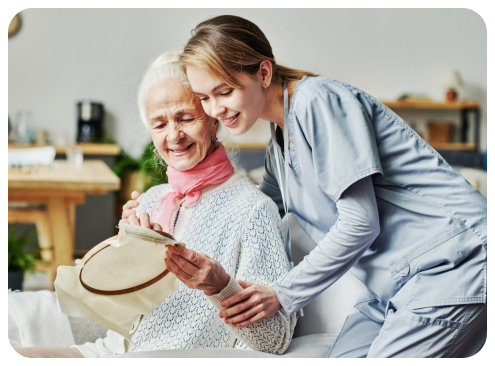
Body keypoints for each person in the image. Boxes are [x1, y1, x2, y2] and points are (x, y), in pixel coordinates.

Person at [125, 15, 487, 358]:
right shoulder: (277, 148)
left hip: (454, 263)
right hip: (395, 288)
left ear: (263, 72)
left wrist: (281, 294)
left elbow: (361, 222)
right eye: (204, 98)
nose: (215, 109)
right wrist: (162, 223)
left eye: (224, 91)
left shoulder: (319, 101)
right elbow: (243, 209)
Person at [15, 51, 296, 358]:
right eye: (159, 124)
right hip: (110, 350)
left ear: (214, 120)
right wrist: (124, 251)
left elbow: (275, 338)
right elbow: (113, 316)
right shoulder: (152, 199)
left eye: (185, 118)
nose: (174, 135)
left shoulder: (253, 210)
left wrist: (220, 285)